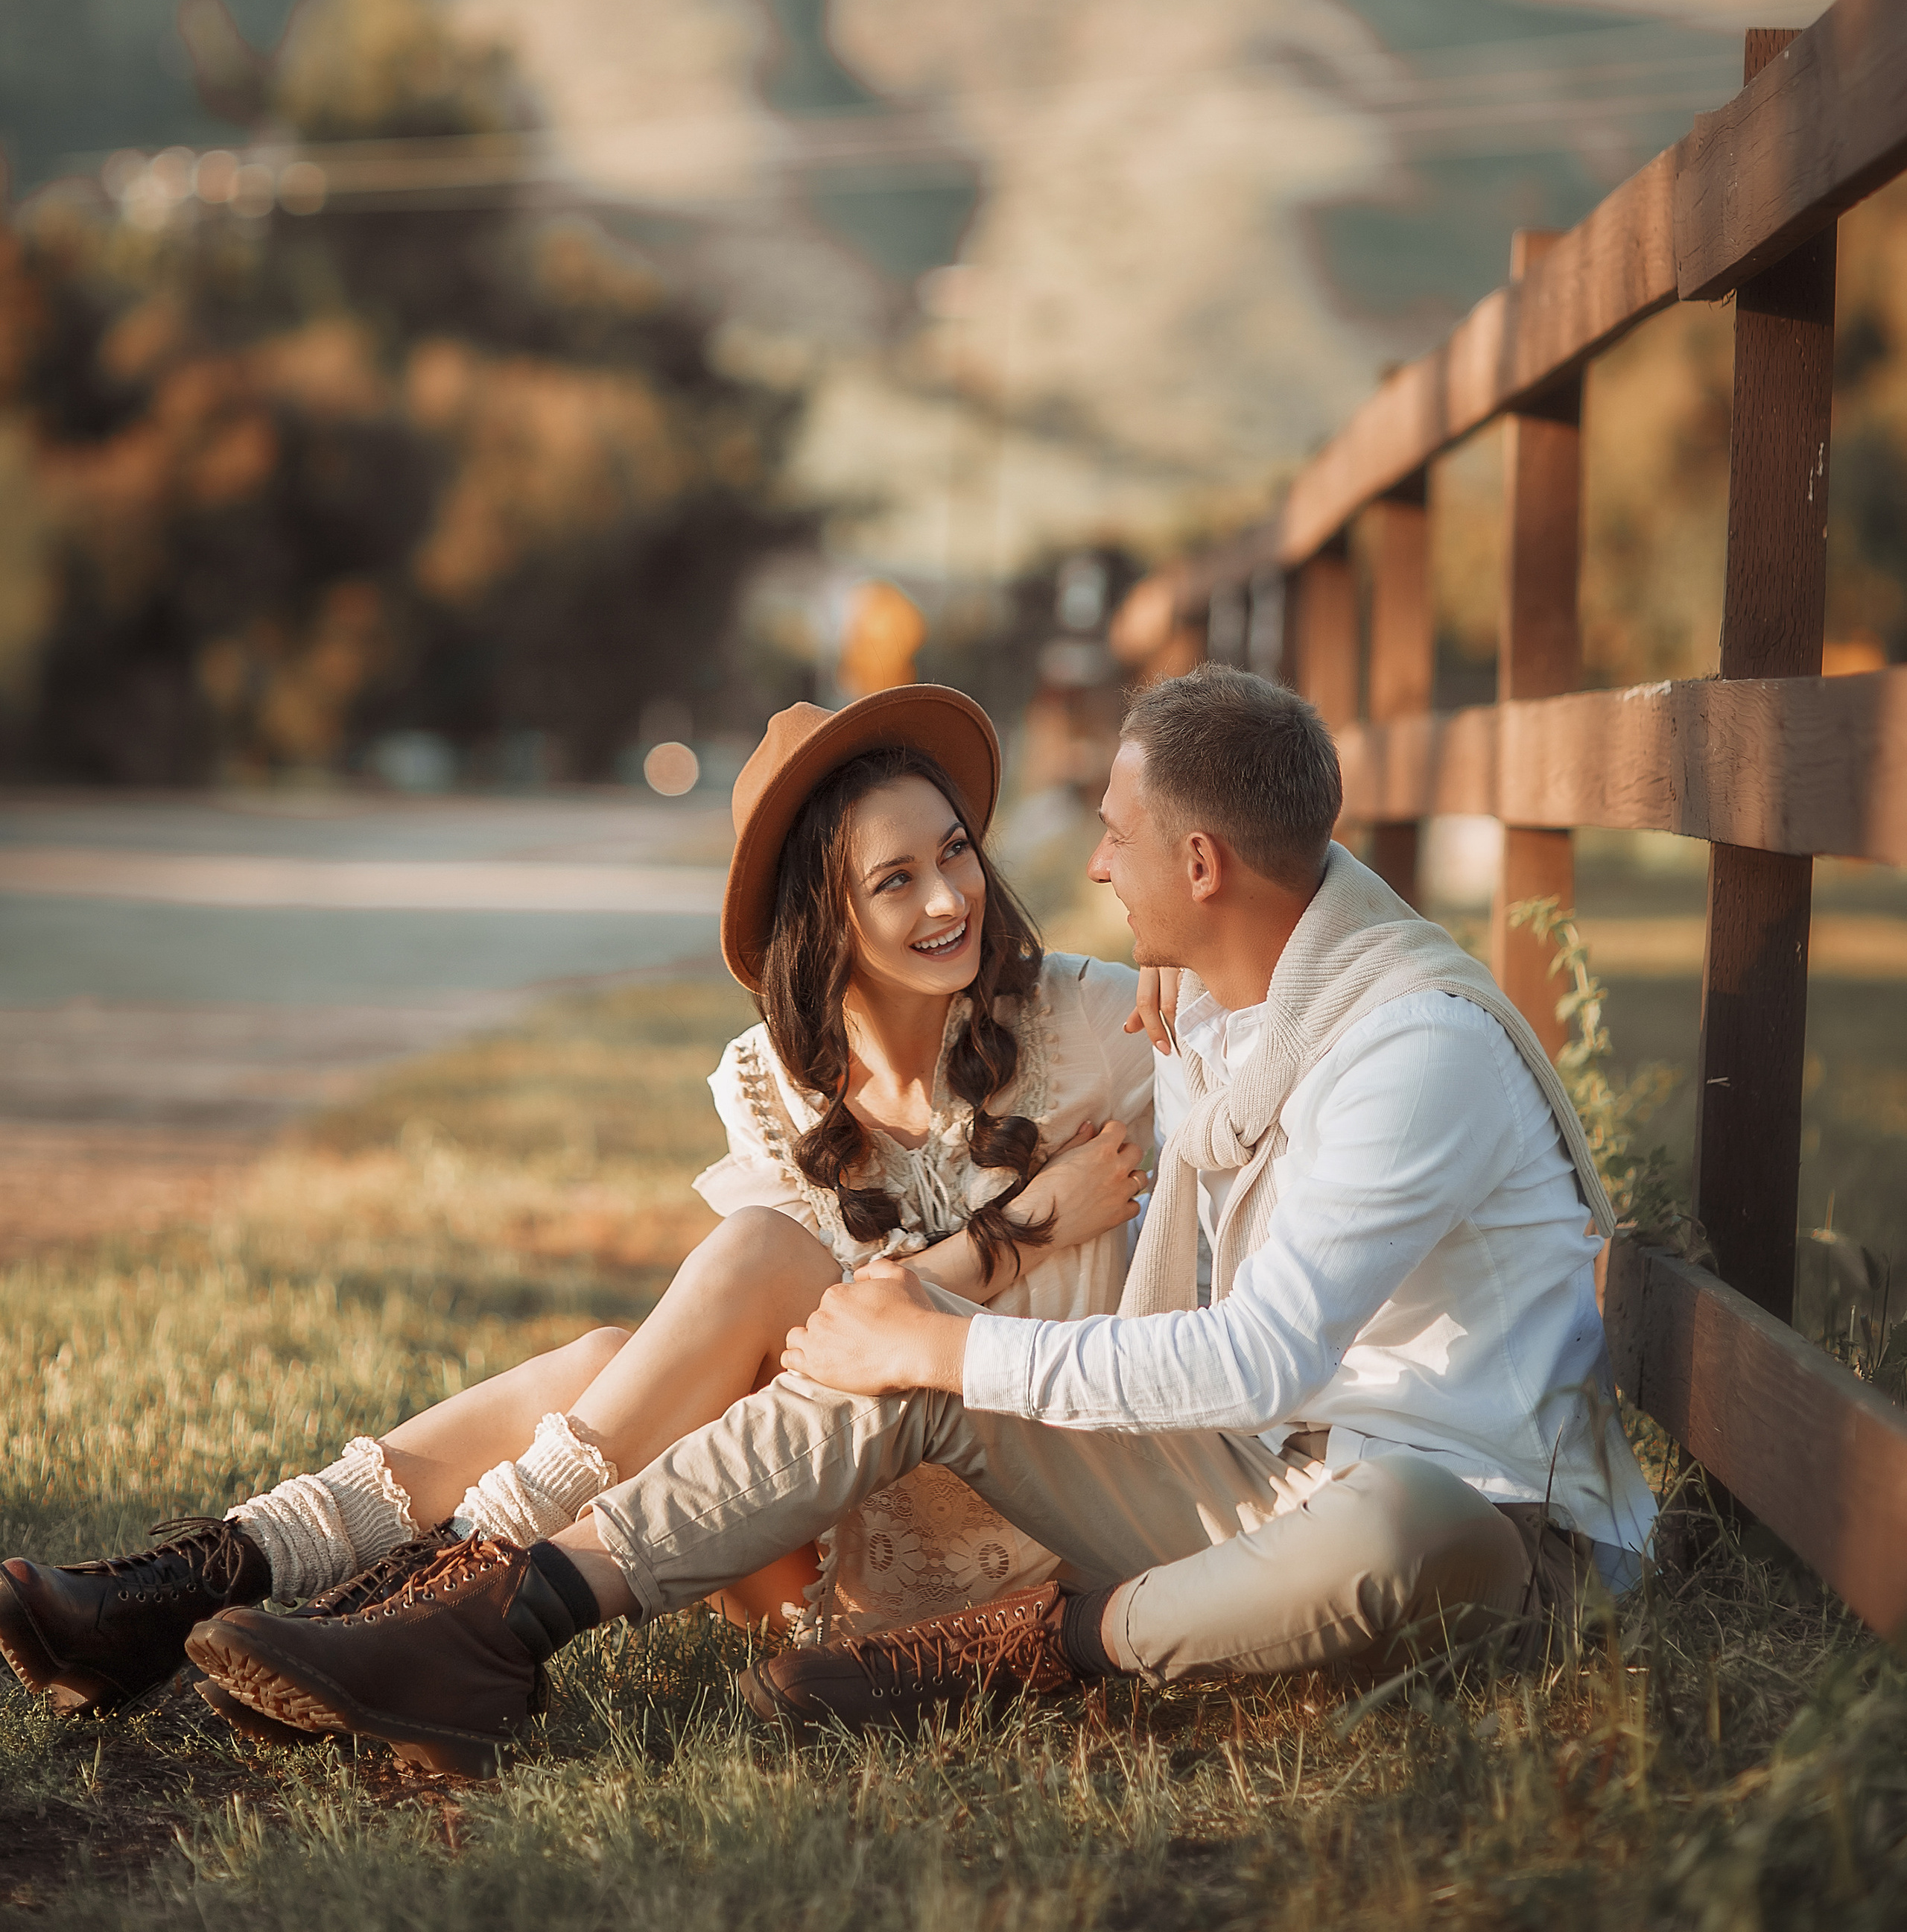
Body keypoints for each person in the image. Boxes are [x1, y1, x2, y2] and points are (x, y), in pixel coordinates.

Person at [180, 663, 1657, 1775]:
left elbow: (1266, 1354)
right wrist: (930, 1332)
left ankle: (1015, 1655)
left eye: (1120, 836)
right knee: (867, 1346)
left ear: (1199, 867)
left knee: (1386, 1519)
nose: (1084, 867)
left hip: (1475, 1526)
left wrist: (949, 1346)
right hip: (1252, 1480)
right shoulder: (1241, 992)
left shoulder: (1411, 1049)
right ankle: (487, 1631)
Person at [0, 684, 1152, 1727]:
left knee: (753, 1258)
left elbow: (1270, 1004)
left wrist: (1169, 962)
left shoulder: (1089, 1021)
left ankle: (409, 1606)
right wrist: (1027, 1223)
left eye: (955, 853)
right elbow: (826, 1363)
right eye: (896, 880)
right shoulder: (776, 1084)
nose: (951, 897)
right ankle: (205, 1582)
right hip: (819, 1534)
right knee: (608, 1357)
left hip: (1020, 1526)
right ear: (825, 913)